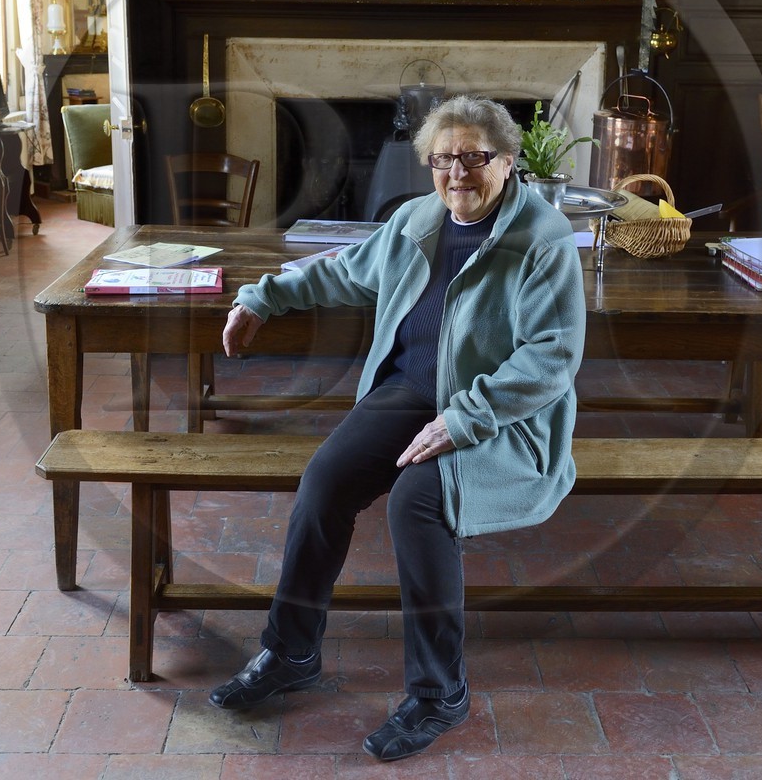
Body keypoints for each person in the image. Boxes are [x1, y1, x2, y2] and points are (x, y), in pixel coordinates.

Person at [209, 94, 587, 761]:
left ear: (507, 162)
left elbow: (550, 358)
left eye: (474, 157)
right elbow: (342, 272)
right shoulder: (416, 219)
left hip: (503, 416)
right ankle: (291, 650)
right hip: (412, 392)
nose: (457, 173)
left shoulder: (544, 239)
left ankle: (440, 693)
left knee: (419, 500)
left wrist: (463, 418)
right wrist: (260, 296)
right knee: (325, 479)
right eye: (443, 159)